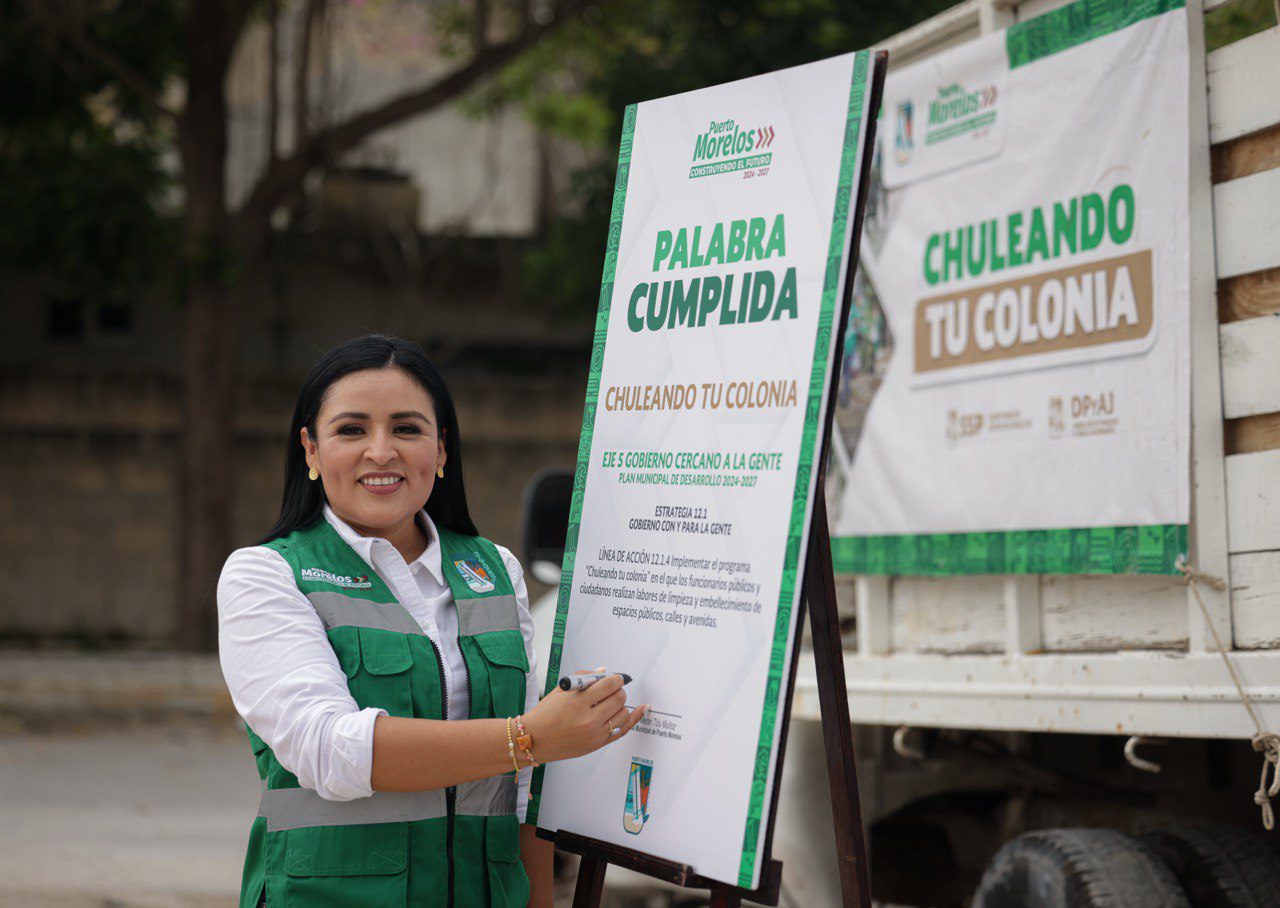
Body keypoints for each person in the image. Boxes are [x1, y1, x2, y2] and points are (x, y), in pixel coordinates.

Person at [217, 334, 648, 907]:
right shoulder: (266, 574)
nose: (381, 452)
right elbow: (328, 748)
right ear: (311, 451)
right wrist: (529, 737)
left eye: (406, 428)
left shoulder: (496, 570)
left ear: (441, 449)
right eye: (351, 430)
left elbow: (525, 790)